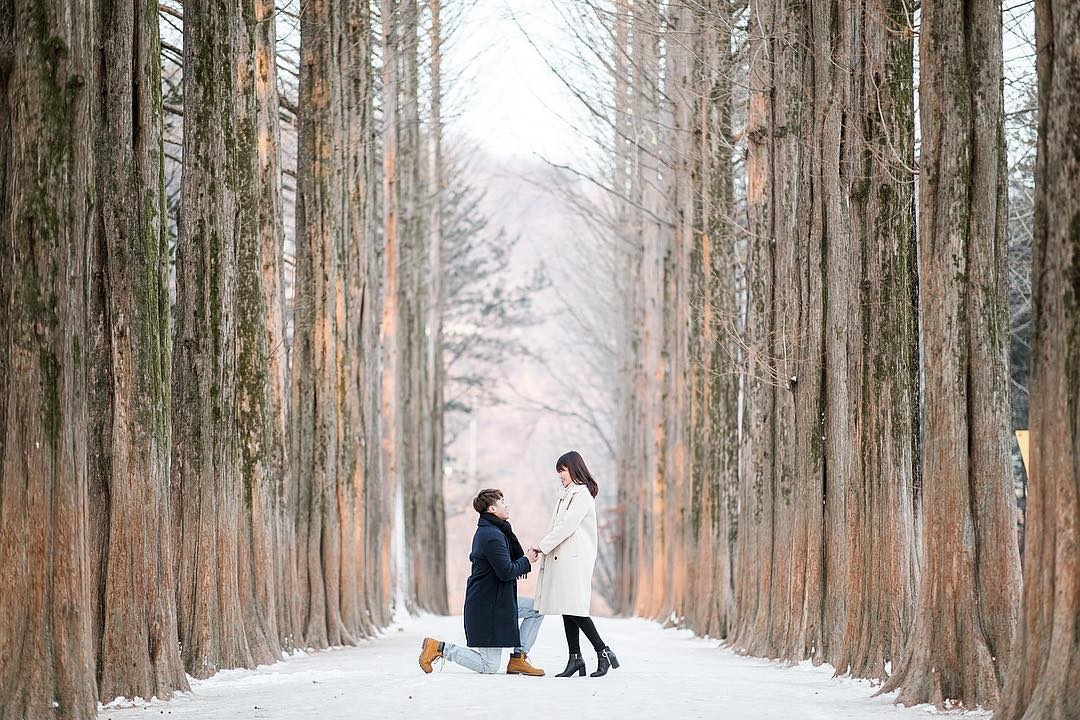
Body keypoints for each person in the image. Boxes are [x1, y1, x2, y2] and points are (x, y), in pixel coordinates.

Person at [418, 488, 546, 676]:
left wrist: (525, 560)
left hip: (498, 602)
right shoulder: (491, 536)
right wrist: (526, 560)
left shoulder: (495, 531)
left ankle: (519, 659)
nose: (506, 505)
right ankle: (440, 648)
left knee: (537, 609)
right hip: (488, 608)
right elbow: (506, 572)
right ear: (492, 509)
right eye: (502, 502)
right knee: (489, 667)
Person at [532, 451, 620, 677]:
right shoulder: (567, 494)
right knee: (567, 607)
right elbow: (558, 526)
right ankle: (575, 658)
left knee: (576, 608)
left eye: (562, 470)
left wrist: (542, 546)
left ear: (573, 468)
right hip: (564, 559)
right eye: (558, 471)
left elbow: (566, 526)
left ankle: (603, 652)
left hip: (574, 560)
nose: (560, 475)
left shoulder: (582, 495)